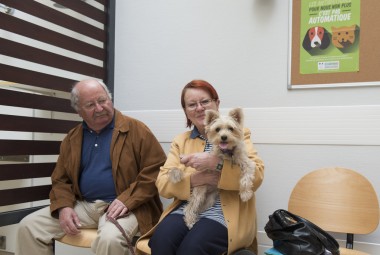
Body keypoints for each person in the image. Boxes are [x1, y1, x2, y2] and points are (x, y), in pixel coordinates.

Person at [16, 79, 167, 255]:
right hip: (85, 206)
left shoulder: (137, 130)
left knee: (110, 240)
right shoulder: (72, 138)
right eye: (90, 104)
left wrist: (127, 199)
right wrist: (64, 206)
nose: (99, 108)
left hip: (127, 206)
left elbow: (156, 170)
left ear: (110, 100)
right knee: (28, 227)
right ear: (79, 111)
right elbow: (60, 179)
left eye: (102, 100)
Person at [136, 79, 264, 255]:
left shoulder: (240, 134)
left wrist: (216, 164)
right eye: (192, 104)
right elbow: (163, 184)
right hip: (189, 207)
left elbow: (256, 177)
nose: (199, 108)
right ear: (186, 112)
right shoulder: (181, 141)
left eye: (205, 102)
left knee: (191, 249)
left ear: (216, 104)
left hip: (225, 213)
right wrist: (194, 180)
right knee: (160, 241)